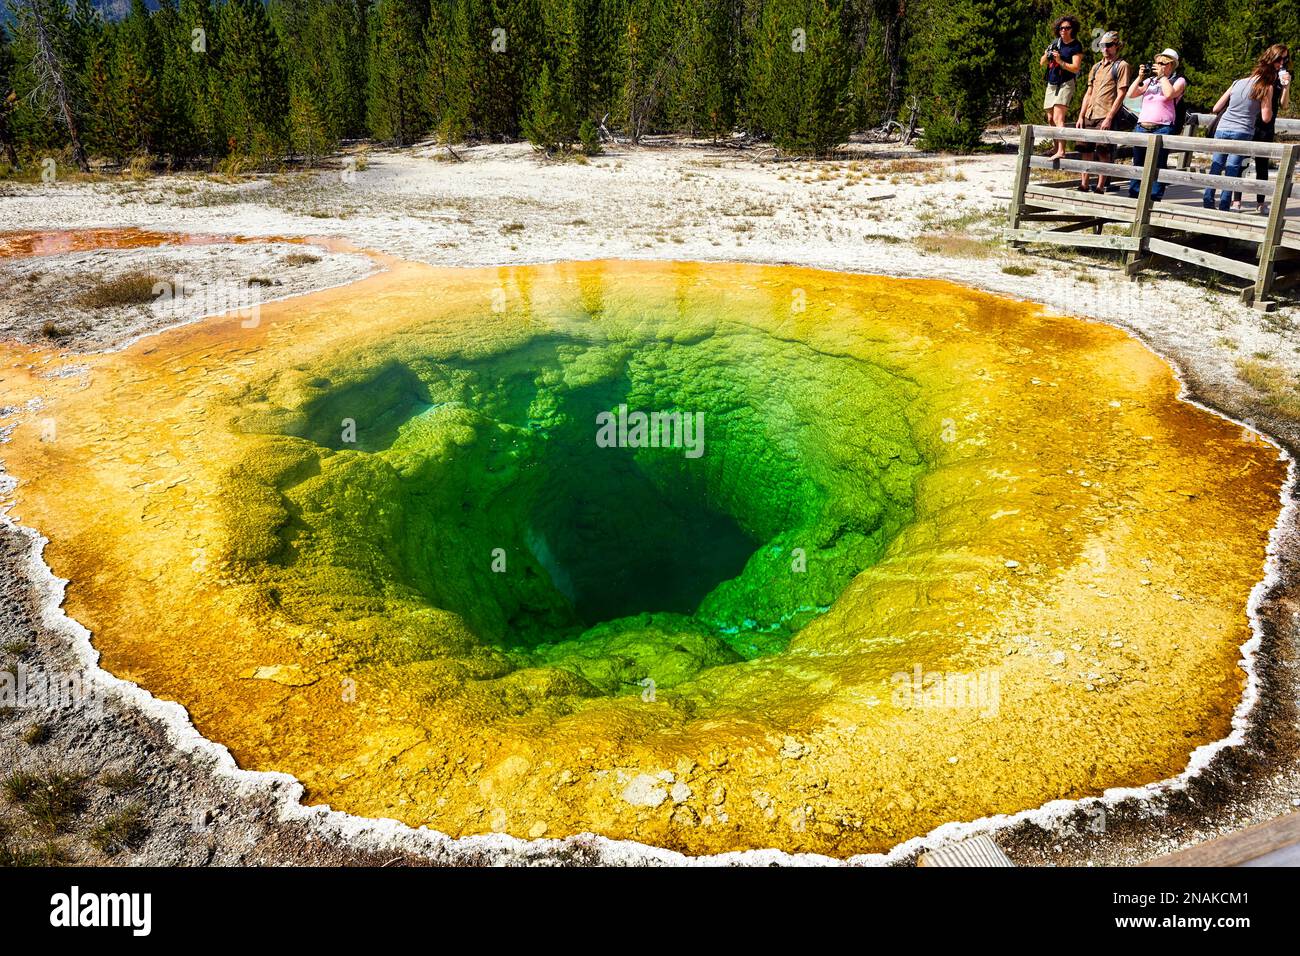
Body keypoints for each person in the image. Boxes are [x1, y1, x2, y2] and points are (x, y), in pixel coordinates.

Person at [1203, 59, 1278, 210]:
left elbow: (1216, 107)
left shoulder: (1237, 82)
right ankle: (1224, 206)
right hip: (1242, 131)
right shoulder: (1266, 87)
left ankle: (1208, 201)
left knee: (1216, 167)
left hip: (1223, 128)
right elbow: (1266, 117)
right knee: (1232, 168)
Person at [1233, 44, 1292, 214]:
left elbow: (1284, 104)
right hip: (1250, 122)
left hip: (1267, 125)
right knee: (1242, 163)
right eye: (1279, 58)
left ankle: (1261, 202)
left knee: (1262, 165)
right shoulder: (1260, 74)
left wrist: (1286, 87)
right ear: (1271, 57)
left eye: (1285, 59)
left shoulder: (1283, 76)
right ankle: (1236, 200)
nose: (1282, 62)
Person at [1126, 49, 1186, 201]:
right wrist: (1140, 77)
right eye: (1157, 63)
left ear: (1171, 65)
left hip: (1163, 127)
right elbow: (1131, 94)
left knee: (1158, 163)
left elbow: (1169, 94)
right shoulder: (1150, 81)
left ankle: (1154, 197)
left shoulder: (1179, 81)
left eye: (1163, 63)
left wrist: (1162, 77)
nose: (1158, 66)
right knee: (1138, 162)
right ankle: (1135, 195)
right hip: (1142, 126)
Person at [1076, 31, 1132, 192]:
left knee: (1103, 151)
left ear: (1116, 46)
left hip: (1106, 113)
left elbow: (1121, 93)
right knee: (1085, 149)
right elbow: (1089, 92)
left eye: (1109, 45)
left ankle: (1101, 185)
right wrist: (1081, 115)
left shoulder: (1121, 66)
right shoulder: (1095, 67)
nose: (1105, 49)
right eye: (1102, 45)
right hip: (1090, 113)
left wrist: (1109, 117)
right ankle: (1084, 183)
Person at [1040, 15, 1084, 160]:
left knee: (1059, 117)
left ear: (1073, 29)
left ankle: (1061, 151)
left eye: (1067, 28)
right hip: (1052, 82)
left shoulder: (1075, 46)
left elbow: (1076, 68)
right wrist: (1048, 55)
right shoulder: (1055, 43)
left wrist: (1060, 61)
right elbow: (1042, 62)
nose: (1064, 30)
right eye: (1061, 28)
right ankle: (1055, 147)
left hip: (1066, 83)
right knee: (1051, 118)